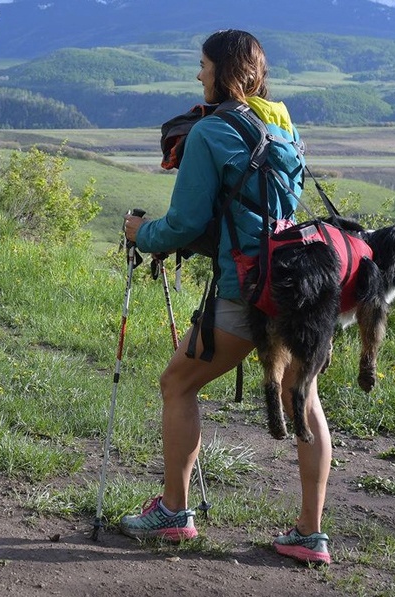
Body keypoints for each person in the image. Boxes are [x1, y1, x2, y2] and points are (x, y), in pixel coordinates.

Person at [120, 29, 332, 566]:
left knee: (176, 383)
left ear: (225, 72)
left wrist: (139, 233)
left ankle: (173, 513)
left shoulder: (212, 133)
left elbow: (184, 222)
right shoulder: (283, 125)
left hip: (246, 288)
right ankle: (310, 535)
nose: (198, 75)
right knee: (301, 398)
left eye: (203, 65)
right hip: (300, 281)